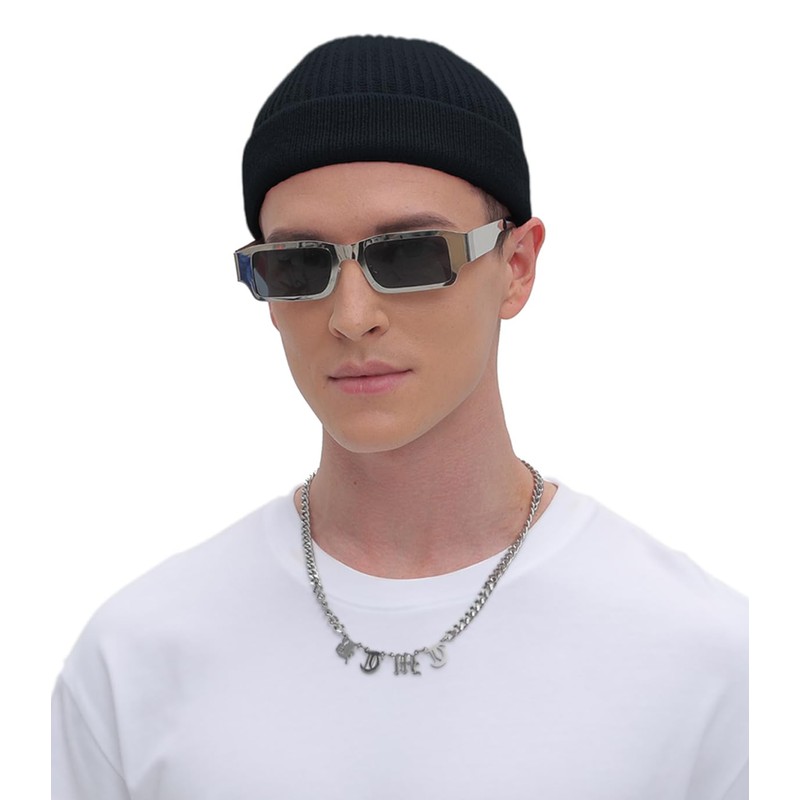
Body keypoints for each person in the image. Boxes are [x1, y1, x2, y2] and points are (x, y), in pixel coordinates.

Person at [51, 35, 748, 799]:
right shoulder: (135, 658)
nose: (352, 317)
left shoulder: (706, 660)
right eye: (300, 264)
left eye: (412, 253)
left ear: (516, 267)